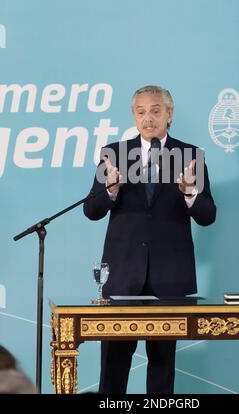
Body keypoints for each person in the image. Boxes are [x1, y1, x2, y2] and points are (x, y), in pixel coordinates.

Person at [83, 85, 216, 394]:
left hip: (169, 278)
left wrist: (189, 193)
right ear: (133, 116)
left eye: (155, 110)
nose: (148, 118)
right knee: (113, 368)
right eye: (140, 112)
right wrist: (111, 190)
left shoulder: (189, 155)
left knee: (161, 369)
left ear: (169, 115)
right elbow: (91, 210)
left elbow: (208, 215)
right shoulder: (115, 154)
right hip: (123, 276)